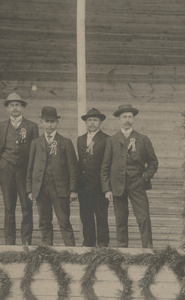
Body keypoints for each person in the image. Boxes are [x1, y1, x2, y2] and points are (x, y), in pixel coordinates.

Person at [101, 104, 158, 248]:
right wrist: (107, 189)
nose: (127, 120)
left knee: (143, 217)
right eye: (124, 117)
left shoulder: (142, 139)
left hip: (137, 184)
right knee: (120, 219)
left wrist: (144, 178)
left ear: (133, 119)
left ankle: (148, 248)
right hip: (117, 186)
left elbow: (153, 162)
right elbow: (105, 166)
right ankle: (122, 249)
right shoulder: (112, 140)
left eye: (130, 117)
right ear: (119, 119)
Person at [26, 106, 78, 246]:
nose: (49, 125)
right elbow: (30, 168)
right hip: (41, 188)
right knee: (44, 221)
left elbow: (73, 168)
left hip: (60, 189)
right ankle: (46, 249)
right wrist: (30, 189)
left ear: (57, 123)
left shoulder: (65, 142)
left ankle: (70, 250)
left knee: (64, 221)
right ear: (41, 122)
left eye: (52, 122)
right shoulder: (35, 143)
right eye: (47, 121)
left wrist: (73, 190)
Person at [0, 92, 38, 245]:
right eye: (11, 105)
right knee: (9, 208)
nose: (15, 108)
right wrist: (1, 164)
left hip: (25, 173)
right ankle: (9, 242)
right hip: (7, 172)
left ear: (22, 107)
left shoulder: (31, 126)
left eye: (17, 105)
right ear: (7, 108)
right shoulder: (1, 126)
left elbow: (36, 150)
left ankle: (26, 241)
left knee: (27, 208)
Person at [77, 108, 110, 247]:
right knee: (86, 216)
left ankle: (103, 244)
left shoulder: (107, 139)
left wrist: (107, 186)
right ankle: (88, 243)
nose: (92, 123)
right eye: (89, 120)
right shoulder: (80, 139)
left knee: (101, 216)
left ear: (100, 122)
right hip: (83, 186)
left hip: (99, 186)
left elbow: (107, 164)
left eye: (95, 120)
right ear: (86, 122)